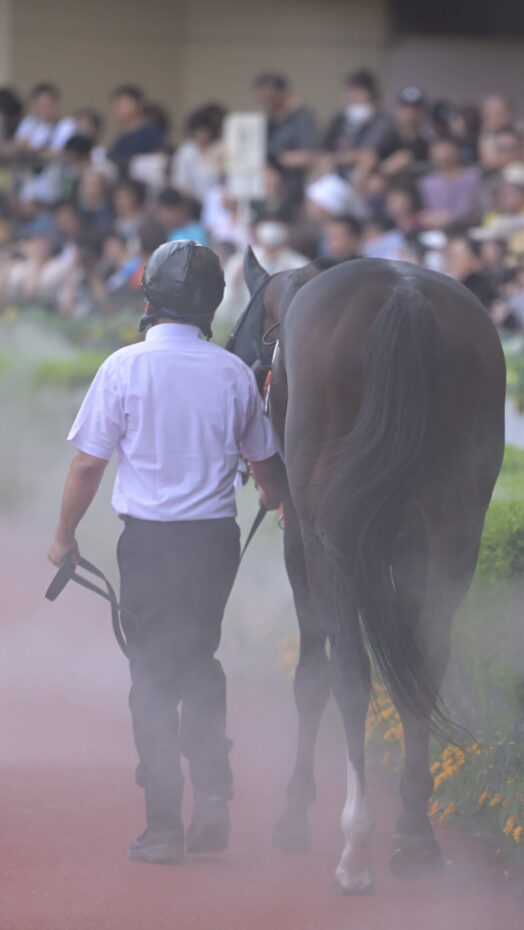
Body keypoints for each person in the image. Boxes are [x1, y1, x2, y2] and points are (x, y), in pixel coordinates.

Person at [48, 240, 285, 864]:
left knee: (152, 675)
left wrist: (64, 537)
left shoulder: (123, 367)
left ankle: (161, 828)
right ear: (211, 307)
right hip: (213, 541)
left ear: (149, 300)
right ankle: (212, 798)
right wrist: (274, 497)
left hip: (149, 542)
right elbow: (265, 468)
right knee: (200, 659)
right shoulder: (233, 372)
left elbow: (86, 466)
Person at [254, 72, 319, 209]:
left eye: (271, 97)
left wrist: (280, 160)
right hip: (266, 179)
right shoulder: (269, 119)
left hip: (292, 184)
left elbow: (310, 156)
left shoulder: (301, 118)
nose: (268, 102)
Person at [108, 84, 165, 172]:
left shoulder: (151, 132)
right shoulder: (121, 139)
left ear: (137, 104)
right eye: (116, 106)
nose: (118, 109)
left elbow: (160, 161)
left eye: (122, 105)